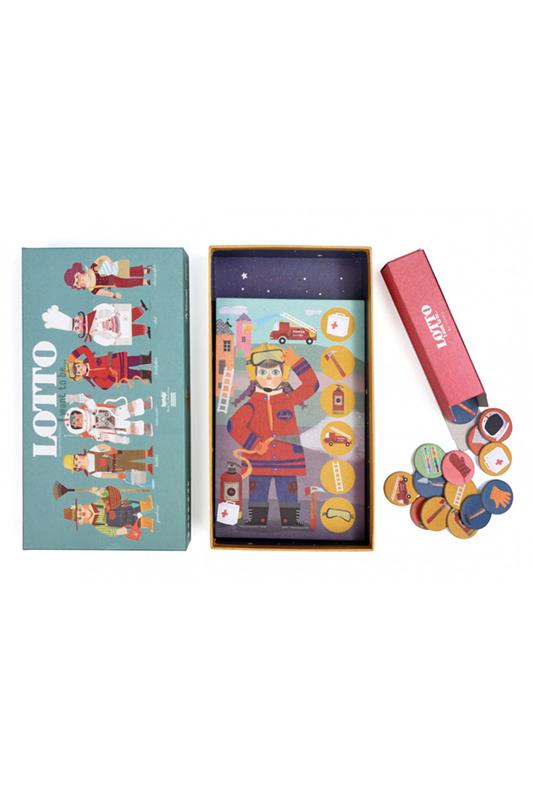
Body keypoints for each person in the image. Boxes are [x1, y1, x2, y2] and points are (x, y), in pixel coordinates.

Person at [227, 345, 319, 528]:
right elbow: (233, 425)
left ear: (283, 374)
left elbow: (312, 385)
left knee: (288, 489)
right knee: (258, 489)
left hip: (287, 460)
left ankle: (290, 521)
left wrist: (296, 362)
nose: (269, 376)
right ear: (255, 375)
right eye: (263, 372)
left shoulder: (289, 399)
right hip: (258, 460)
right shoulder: (252, 404)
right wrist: (255, 444)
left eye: (275, 372)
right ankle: (257, 520)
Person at [63, 488, 154, 538]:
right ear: (81, 522)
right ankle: (148, 523)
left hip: (120, 508)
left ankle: (147, 505)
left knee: (132, 507)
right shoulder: (97, 525)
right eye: (79, 517)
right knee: (135, 522)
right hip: (122, 522)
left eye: (79, 511)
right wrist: (120, 531)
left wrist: (98, 492)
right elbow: (109, 532)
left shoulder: (96, 504)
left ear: (81, 506)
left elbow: (106, 496)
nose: (82, 514)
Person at [64, 393, 153, 443]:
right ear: (77, 428)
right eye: (74, 423)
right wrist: (120, 439)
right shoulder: (92, 431)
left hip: (114, 413)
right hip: (115, 427)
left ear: (77, 412)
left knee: (129, 408)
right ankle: (146, 428)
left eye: (75, 417)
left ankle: (145, 404)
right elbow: (106, 437)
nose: (76, 420)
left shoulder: (90, 409)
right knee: (130, 428)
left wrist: (75, 398)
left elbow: (87, 399)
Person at [65, 345, 152, 389]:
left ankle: (148, 359)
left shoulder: (90, 359)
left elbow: (84, 348)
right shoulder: (93, 377)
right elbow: (104, 386)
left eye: (78, 366)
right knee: (135, 374)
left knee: (135, 360)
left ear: (79, 362)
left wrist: (72, 358)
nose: (81, 369)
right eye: (79, 372)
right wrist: (112, 376)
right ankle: (148, 375)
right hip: (120, 374)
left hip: (118, 361)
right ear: (80, 375)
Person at [63, 444, 154, 486]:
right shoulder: (92, 471)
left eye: (76, 459)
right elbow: (105, 475)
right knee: (131, 466)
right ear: (77, 469)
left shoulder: (91, 452)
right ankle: (147, 467)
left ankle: (147, 453)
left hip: (115, 455)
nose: (78, 462)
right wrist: (118, 476)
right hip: (115, 467)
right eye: (76, 465)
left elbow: (101, 446)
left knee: (131, 454)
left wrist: (110, 449)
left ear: (77, 455)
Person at [64, 255, 151, 297]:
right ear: (78, 287)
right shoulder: (92, 289)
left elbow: (102, 257)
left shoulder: (92, 268)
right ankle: (144, 282)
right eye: (76, 283)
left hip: (113, 270)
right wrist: (113, 295)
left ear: (79, 272)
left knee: (129, 271)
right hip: (113, 282)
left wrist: (110, 261)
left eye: (77, 277)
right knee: (127, 283)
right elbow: (103, 293)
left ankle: (144, 271)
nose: (79, 281)